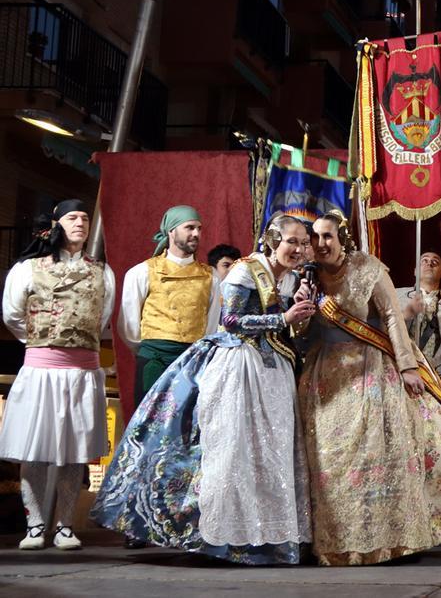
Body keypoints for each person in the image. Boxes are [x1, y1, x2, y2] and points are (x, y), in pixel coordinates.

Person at [91, 214, 316, 565]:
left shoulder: (285, 279)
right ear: (272, 240)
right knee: (231, 450)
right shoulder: (245, 270)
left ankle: (261, 536)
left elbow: (277, 326)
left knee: (265, 453)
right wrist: (282, 318)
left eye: (304, 243)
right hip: (239, 367)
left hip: (271, 372)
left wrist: (293, 312)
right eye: (292, 241)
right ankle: (222, 539)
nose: (299, 249)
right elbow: (232, 321)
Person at [298, 212, 441, 565]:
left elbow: (391, 317)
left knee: (375, 454)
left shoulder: (368, 268)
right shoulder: (307, 277)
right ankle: (338, 543)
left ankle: (392, 541)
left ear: (342, 239)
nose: (321, 244)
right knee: (329, 462)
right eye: (315, 238)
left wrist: (408, 366)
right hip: (325, 374)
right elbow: (302, 330)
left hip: (372, 370)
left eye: (328, 236)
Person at [0, 200, 115, 551]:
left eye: (84, 217)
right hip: (42, 369)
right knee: (34, 448)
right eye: (72, 217)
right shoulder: (29, 268)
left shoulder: (102, 272)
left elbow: (104, 316)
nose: (80, 223)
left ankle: (65, 525)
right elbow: (12, 313)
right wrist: (43, 341)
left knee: (73, 451)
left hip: (83, 371)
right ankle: (35, 525)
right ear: (56, 224)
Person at [118, 205, 221, 406]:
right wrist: (148, 348)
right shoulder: (142, 272)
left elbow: (212, 324)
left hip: (192, 358)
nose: (196, 233)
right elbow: (128, 324)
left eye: (199, 228)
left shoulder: (211, 277)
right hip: (154, 357)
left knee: (185, 423)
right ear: (171, 231)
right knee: (148, 419)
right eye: (189, 227)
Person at [398, 252, 441, 378]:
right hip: (396, 369)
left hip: (430, 377)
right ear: (415, 271)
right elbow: (381, 327)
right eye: (424, 261)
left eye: (435, 262)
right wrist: (406, 314)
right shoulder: (395, 295)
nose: (429, 263)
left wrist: (434, 368)